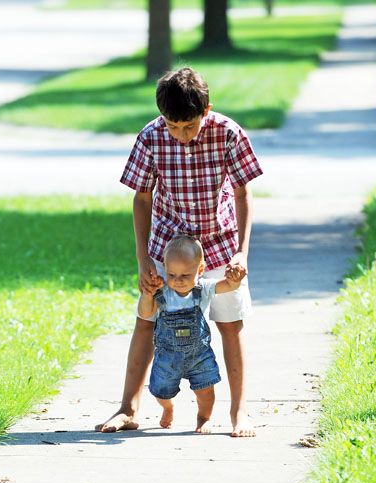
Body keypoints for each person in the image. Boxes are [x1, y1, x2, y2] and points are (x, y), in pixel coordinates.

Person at [97, 66, 263, 437]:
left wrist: (241, 252)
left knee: (230, 325)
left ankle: (239, 413)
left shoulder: (227, 133)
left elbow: (242, 192)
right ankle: (128, 408)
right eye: (173, 126)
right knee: (148, 321)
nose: (181, 135)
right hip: (166, 251)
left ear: (206, 111)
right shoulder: (152, 137)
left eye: (189, 126)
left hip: (219, 247)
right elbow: (141, 198)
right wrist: (143, 258)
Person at [138, 235, 246, 434]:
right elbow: (146, 314)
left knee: (206, 392)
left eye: (185, 276)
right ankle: (168, 408)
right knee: (160, 392)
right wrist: (147, 295)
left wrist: (234, 279)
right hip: (167, 357)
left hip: (199, 356)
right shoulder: (161, 291)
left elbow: (228, 286)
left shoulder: (203, 289)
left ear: (201, 270)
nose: (178, 281)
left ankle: (203, 417)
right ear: (165, 268)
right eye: (172, 275)